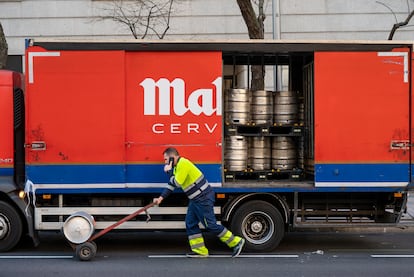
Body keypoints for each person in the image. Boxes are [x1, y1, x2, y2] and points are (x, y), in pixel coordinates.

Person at [154, 147, 245, 258]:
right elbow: (171, 185)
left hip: (203, 198)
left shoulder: (183, 164)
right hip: (196, 199)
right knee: (190, 223)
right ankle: (200, 250)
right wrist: (160, 198)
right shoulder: (177, 168)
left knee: (210, 225)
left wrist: (168, 171)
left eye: (165, 159)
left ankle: (236, 242)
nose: (165, 162)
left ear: (173, 157)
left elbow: (177, 182)